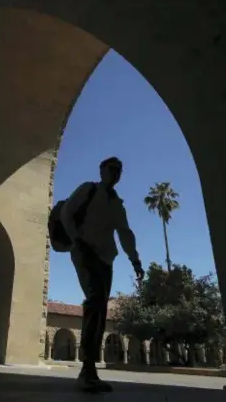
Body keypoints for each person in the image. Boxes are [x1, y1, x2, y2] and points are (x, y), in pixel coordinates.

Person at [60, 157, 144, 392]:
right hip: (85, 252)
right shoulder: (88, 189)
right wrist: (77, 241)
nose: (115, 173)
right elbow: (67, 212)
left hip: (106, 259)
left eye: (119, 171)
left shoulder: (117, 204)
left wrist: (135, 260)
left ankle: (91, 371)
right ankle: (87, 369)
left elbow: (125, 233)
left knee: (100, 308)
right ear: (102, 170)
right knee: (95, 299)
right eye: (111, 169)